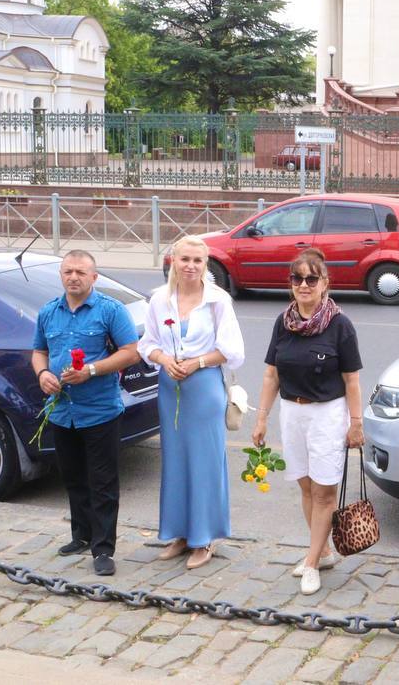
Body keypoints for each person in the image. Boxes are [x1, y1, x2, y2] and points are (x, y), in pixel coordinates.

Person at [252, 249, 364, 595]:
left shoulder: (339, 325)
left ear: (324, 283)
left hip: (327, 414)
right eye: (297, 278)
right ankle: (325, 550)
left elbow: (352, 381)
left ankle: (312, 561)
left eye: (311, 278)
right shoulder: (283, 322)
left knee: (324, 491)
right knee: (305, 487)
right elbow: (271, 375)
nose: (303, 285)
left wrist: (356, 422)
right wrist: (262, 418)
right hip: (293, 412)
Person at [30, 250, 140, 576]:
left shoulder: (110, 310)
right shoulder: (49, 311)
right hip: (63, 411)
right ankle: (81, 535)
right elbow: (39, 351)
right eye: (68, 271)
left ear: (94, 277)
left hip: (100, 411)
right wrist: (42, 375)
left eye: (80, 272)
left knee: (102, 481)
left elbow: (131, 353)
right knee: (73, 477)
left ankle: (103, 548)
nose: (73, 277)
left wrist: (91, 370)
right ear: (61, 275)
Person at [138, 236, 245, 569]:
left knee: (205, 462)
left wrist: (197, 362)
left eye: (198, 261)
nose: (191, 266)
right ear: (173, 259)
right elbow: (147, 344)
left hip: (203, 388)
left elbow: (232, 350)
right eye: (185, 259)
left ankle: (205, 539)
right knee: (176, 461)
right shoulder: (159, 299)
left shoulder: (217, 301)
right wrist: (163, 358)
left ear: (206, 263)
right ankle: (180, 534)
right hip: (171, 389)